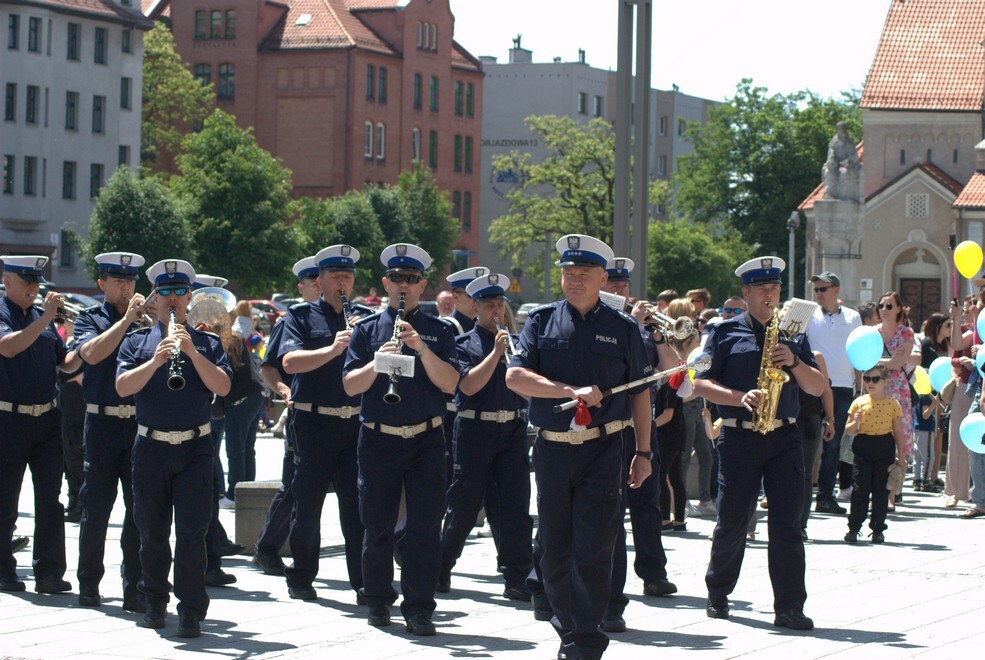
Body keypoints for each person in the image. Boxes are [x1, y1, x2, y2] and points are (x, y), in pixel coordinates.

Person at [506, 234, 653, 659]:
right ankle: (569, 626)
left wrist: (643, 453)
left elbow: (641, 393)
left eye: (583, 274)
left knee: (595, 544)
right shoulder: (541, 321)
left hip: (604, 449)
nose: (574, 281)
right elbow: (516, 378)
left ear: (603, 279)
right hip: (553, 448)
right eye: (568, 274)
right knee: (553, 547)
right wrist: (568, 390)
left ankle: (584, 640)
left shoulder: (623, 328)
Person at [693, 256, 824, 631]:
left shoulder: (794, 336)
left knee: (787, 522)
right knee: (733, 518)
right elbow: (697, 383)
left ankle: (789, 606)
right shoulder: (722, 332)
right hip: (739, 434)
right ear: (746, 293)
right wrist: (739, 397)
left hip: (784, 434)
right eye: (763, 289)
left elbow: (817, 387)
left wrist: (794, 363)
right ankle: (718, 591)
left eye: (776, 289)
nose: (771, 295)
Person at [343, 243, 460, 636]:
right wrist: (379, 360)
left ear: (423, 284)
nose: (403, 286)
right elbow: (348, 386)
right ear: (385, 283)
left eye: (411, 280)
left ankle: (419, 607)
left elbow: (451, 383)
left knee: (425, 528)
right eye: (397, 279)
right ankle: (377, 600)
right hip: (379, 438)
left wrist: (421, 348)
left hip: (426, 438)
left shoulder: (441, 331)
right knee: (376, 525)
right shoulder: (366, 329)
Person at [116, 259, 232, 638]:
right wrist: (156, 359)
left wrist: (192, 353)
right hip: (151, 446)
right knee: (151, 531)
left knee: (192, 533)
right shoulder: (137, 341)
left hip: (195, 448)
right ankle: (153, 601)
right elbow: (122, 387)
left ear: (189, 297)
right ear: (154, 300)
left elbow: (225, 387)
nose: (171, 299)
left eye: (179, 291)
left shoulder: (208, 342)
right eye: (163, 292)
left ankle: (191, 610)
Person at [280, 245, 373, 603]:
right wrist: (333, 350)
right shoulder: (300, 316)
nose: (343, 283)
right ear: (319, 281)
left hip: (355, 424)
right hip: (314, 422)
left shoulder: (364, 318)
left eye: (347, 277)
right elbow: (289, 363)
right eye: (335, 277)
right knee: (307, 505)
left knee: (357, 506)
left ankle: (363, 580)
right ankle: (301, 575)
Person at [437, 273, 532, 600]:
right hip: (476, 429)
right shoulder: (464, 344)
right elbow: (467, 386)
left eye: (500, 304)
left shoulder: (519, 344)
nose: (496, 311)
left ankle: (516, 576)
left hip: (513, 428)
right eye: (489, 305)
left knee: (515, 507)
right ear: (475, 307)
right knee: (464, 504)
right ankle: (441, 566)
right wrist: (495, 354)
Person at [599, 257, 676, 635]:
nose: (620, 291)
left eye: (624, 285)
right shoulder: (601, 324)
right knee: (607, 510)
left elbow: (677, 372)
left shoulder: (643, 330)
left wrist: (657, 334)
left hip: (642, 426)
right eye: (612, 285)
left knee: (647, 504)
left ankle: (653, 572)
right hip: (609, 427)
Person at [0, 255, 80, 594]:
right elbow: (8, 346)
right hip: (8, 418)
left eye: (36, 280)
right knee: (6, 498)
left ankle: (49, 572)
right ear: (7, 280)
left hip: (47, 418)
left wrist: (87, 348)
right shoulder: (6, 314)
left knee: (51, 499)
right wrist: (47, 316)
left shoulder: (41, 318)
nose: (35, 287)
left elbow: (66, 365)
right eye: (26, 280)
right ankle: (4, 569)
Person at [73, 252, 148, 611]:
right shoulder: (90, 318)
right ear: (102, 284)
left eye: (131, 281)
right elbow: (91, 354)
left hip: (137, 423)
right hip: (101, 422)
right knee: (96, 508)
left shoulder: (146, 323)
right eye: (118, 281)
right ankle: (88, 583)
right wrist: (127, 322)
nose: (126, 287)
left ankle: (134, 585)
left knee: (138, 511)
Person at [252, 256, 321, 576]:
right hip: (304, 412)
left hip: (342, 415)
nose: (321, 288)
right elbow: (269, 367)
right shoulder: (293, 320)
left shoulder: (348, 318)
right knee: (294, 486)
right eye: (314, 283)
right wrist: (283, 390)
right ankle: (268, 547)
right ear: (302, 287)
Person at [806, 272, 861, 513]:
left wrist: (859, 389)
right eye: (816, 289)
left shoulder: (853, 317)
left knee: (833, 443)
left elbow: (859, 353)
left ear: (836, 290)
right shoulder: (808, 315)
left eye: (823, 289)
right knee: (806, 441)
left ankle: (826, 496)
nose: (818, 293)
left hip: (842, 386)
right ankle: (800, 492)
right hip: (811, 385)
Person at [843, 366, 906, 543]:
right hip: (863, 445)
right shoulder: (858, 402)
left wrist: (901, 456)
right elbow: (848, 430)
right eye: (867, 379)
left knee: (881, 490)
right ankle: (854, 528)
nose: (870, 383)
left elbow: (898, 431)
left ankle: (878, 528)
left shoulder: (893, 404)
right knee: (860, 489)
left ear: (885, 381)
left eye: (875, 379)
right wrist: (855, 421)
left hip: (884, 445)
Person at [917, 313, 951, 491]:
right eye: (947, 325)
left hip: (943, 393)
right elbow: (921, 370)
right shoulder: (926, 345)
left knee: (939, 434)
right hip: (928, 395)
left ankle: (935, 474)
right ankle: (926, 477)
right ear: (937, 326)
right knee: (930, 436)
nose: (950, 329)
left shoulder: (946, 344)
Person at [446, 267, 489, 334]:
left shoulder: (485, 327)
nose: (478, 300)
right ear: (455, 297)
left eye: (482, 295)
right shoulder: (445, 328)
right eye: (472, 295)